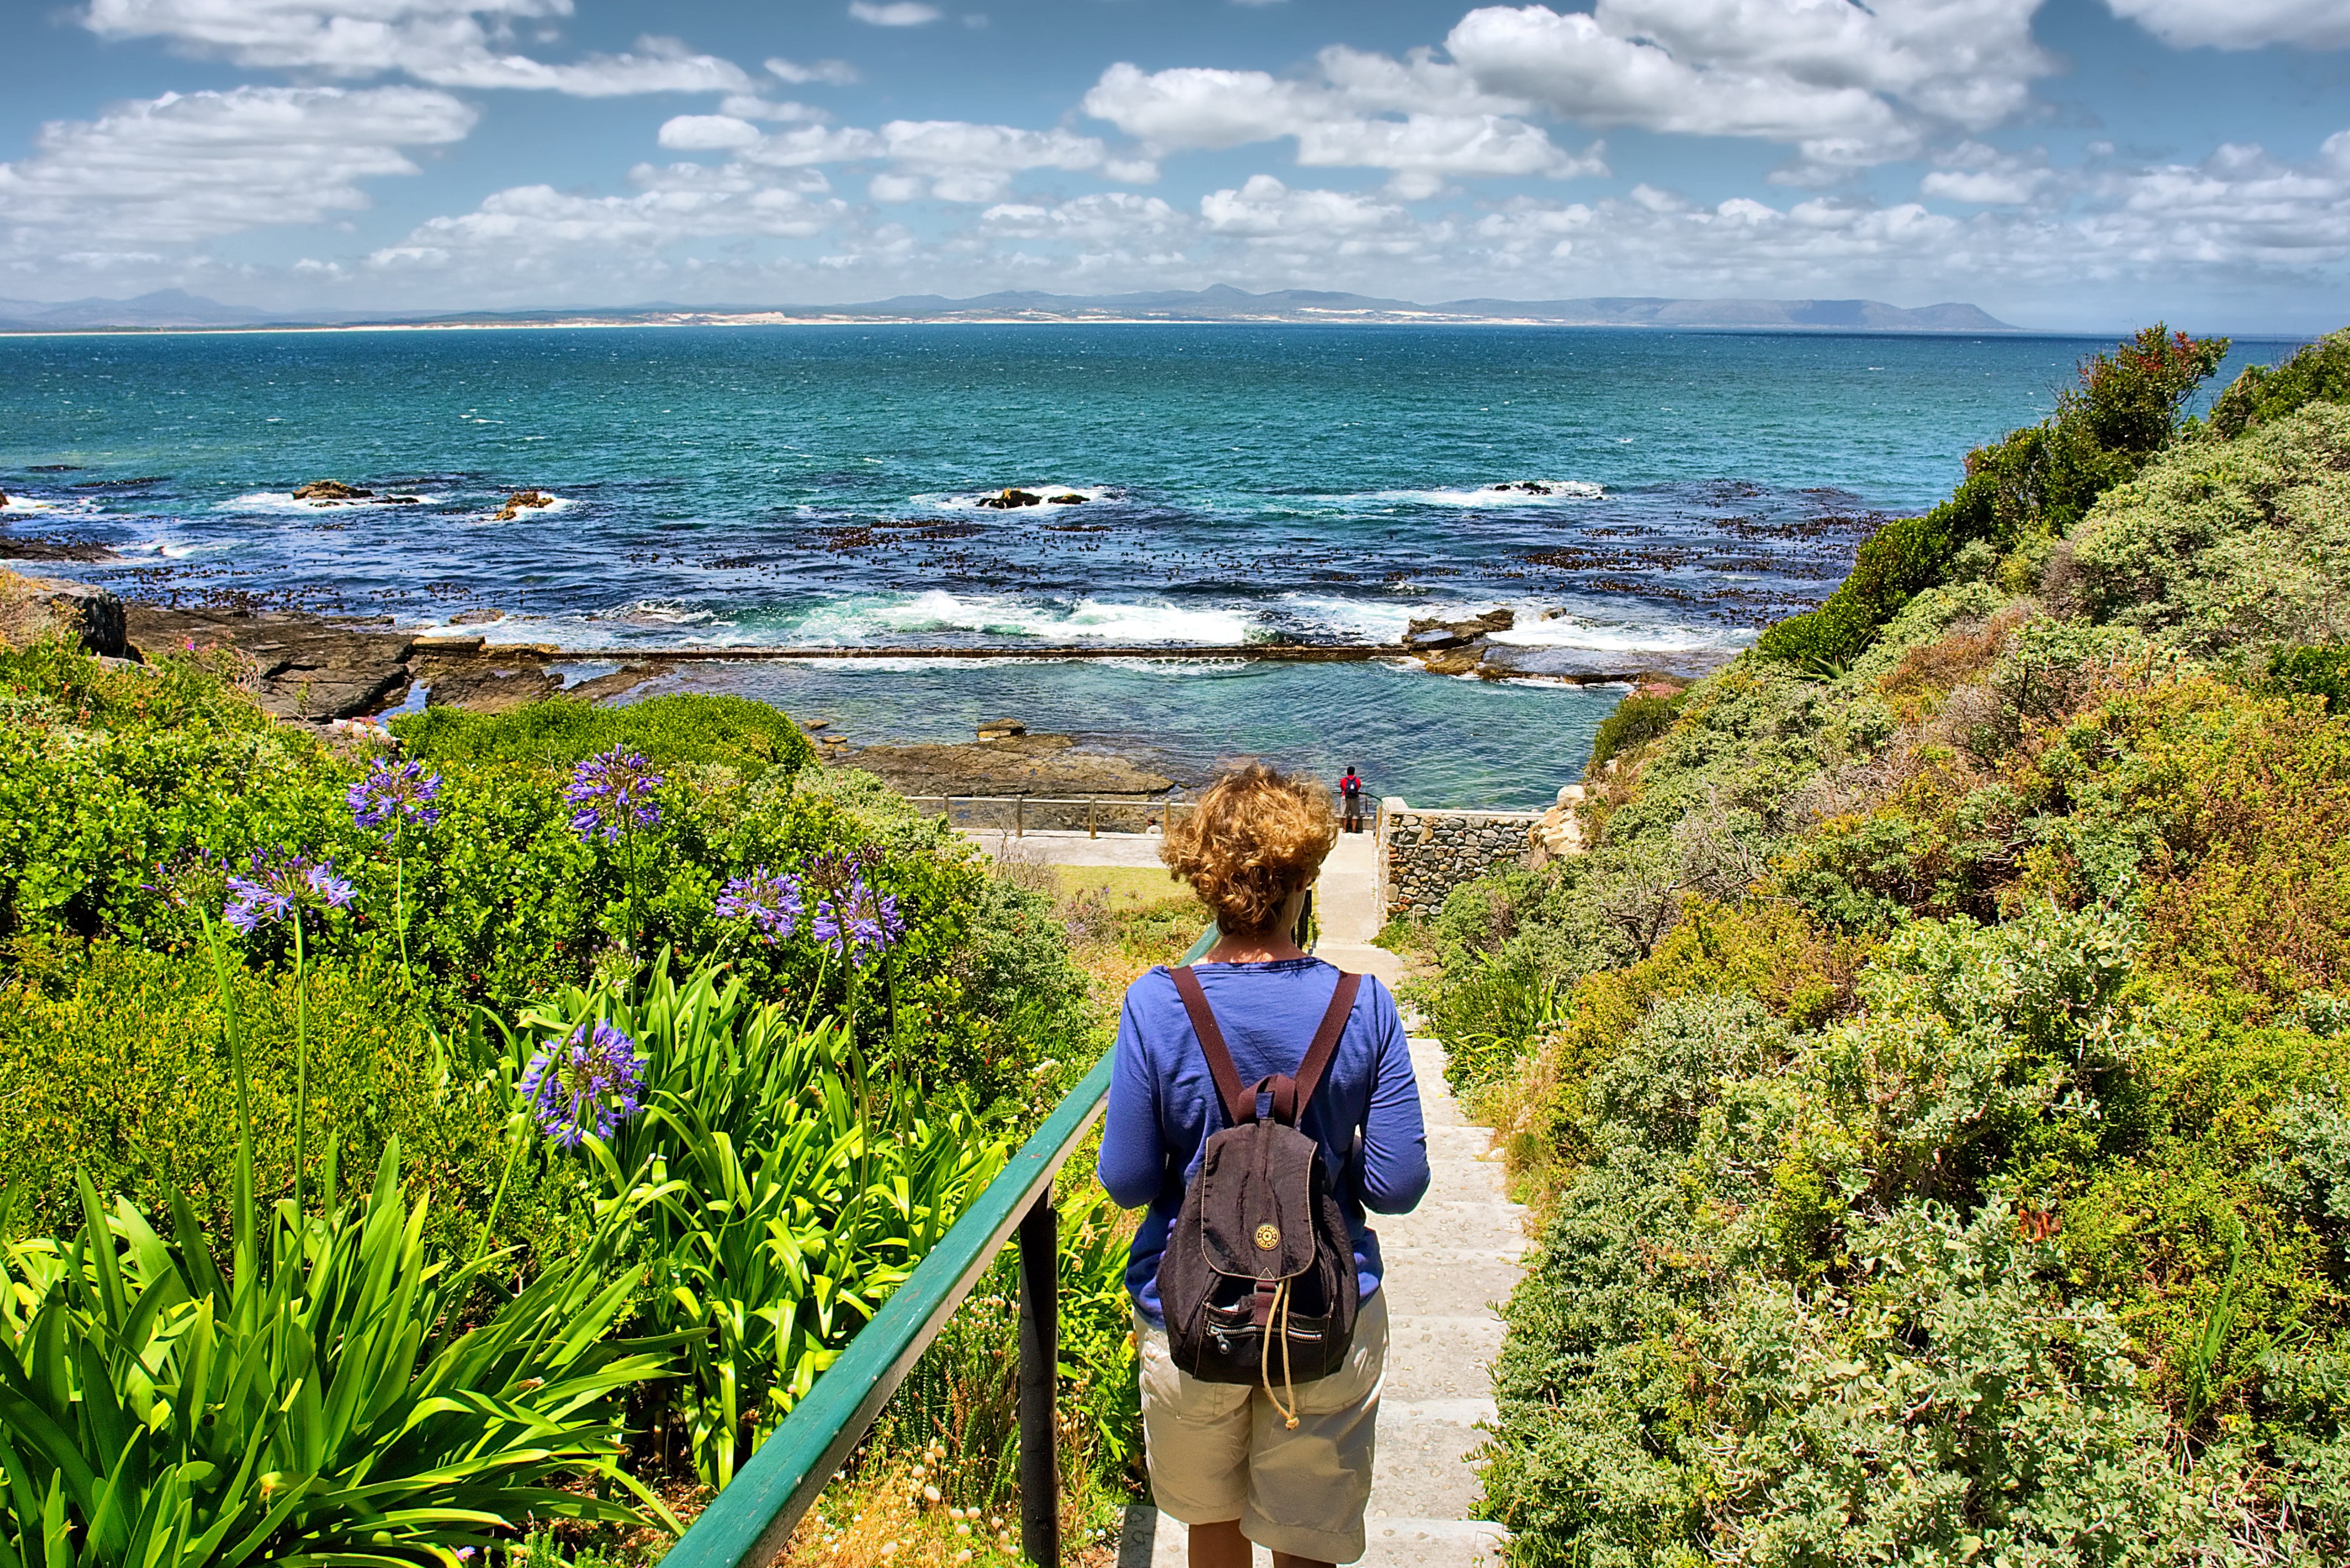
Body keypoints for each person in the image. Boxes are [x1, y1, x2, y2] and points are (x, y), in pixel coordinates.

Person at [1099, 763, 1429, 1568]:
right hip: (1327, 1303)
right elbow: (1397, 1185)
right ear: (1305, 877)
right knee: (1305, 1541)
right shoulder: (1366, 1001)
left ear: (1203, 882)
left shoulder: (1157, 1001)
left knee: (1212, 1528)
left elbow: (1129, 1179)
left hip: (1188, 1307)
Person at [1338, 766, 1364, 834]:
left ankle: (1344, 829)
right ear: (1354, 772)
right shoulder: (1357, 780)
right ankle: (1354, 829)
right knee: (1355, 815)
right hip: (1355, 798)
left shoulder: (1343, 780)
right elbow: (1358, 787)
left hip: (1345, 798)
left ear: (1347, 772)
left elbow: (1342, 788)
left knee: (1344, 814)